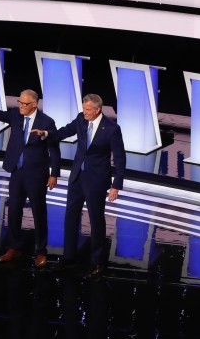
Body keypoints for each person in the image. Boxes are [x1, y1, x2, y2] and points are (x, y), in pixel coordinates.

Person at [31, 93, 126, 279]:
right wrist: (46, 134)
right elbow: (64, 131)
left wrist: (116, 185)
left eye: (88, 110)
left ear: (98, 110)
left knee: (96, 221)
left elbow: (120, 158)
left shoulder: (112, 129)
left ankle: (97, 262)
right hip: (76, 178)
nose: (85, 112)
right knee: (70, 218)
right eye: (84, 109)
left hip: (96, 181)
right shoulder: (81, 119)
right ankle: (69, 258)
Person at [0, 88, 60, 268]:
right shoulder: (16, 115)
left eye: (24, 103)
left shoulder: (47, 122)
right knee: (13, 211)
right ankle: (14, 247)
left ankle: (41, 251)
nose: (20, 105)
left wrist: (54, 174)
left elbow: (54, 148)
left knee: (38, 213)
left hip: (36, 174)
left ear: (34, 104)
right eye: (19, 102)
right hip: (17, 172)